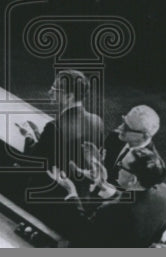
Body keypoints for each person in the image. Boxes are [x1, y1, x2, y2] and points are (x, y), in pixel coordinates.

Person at [57, 146, 166, 248]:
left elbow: (84, 234)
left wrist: (72, 193)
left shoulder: (114, 210)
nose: (118, 166)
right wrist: (103, 184)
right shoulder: (164, 194)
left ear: (133, 179)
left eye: (121, 165)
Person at [18, 70, 104, 198]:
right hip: (81, 193)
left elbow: (32, 162)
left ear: (69, 96)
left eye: (54, 89)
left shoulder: (55, 127)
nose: (49, 92)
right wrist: (38, 133)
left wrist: (29, 138)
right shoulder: (97, 122)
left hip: (52, 193)